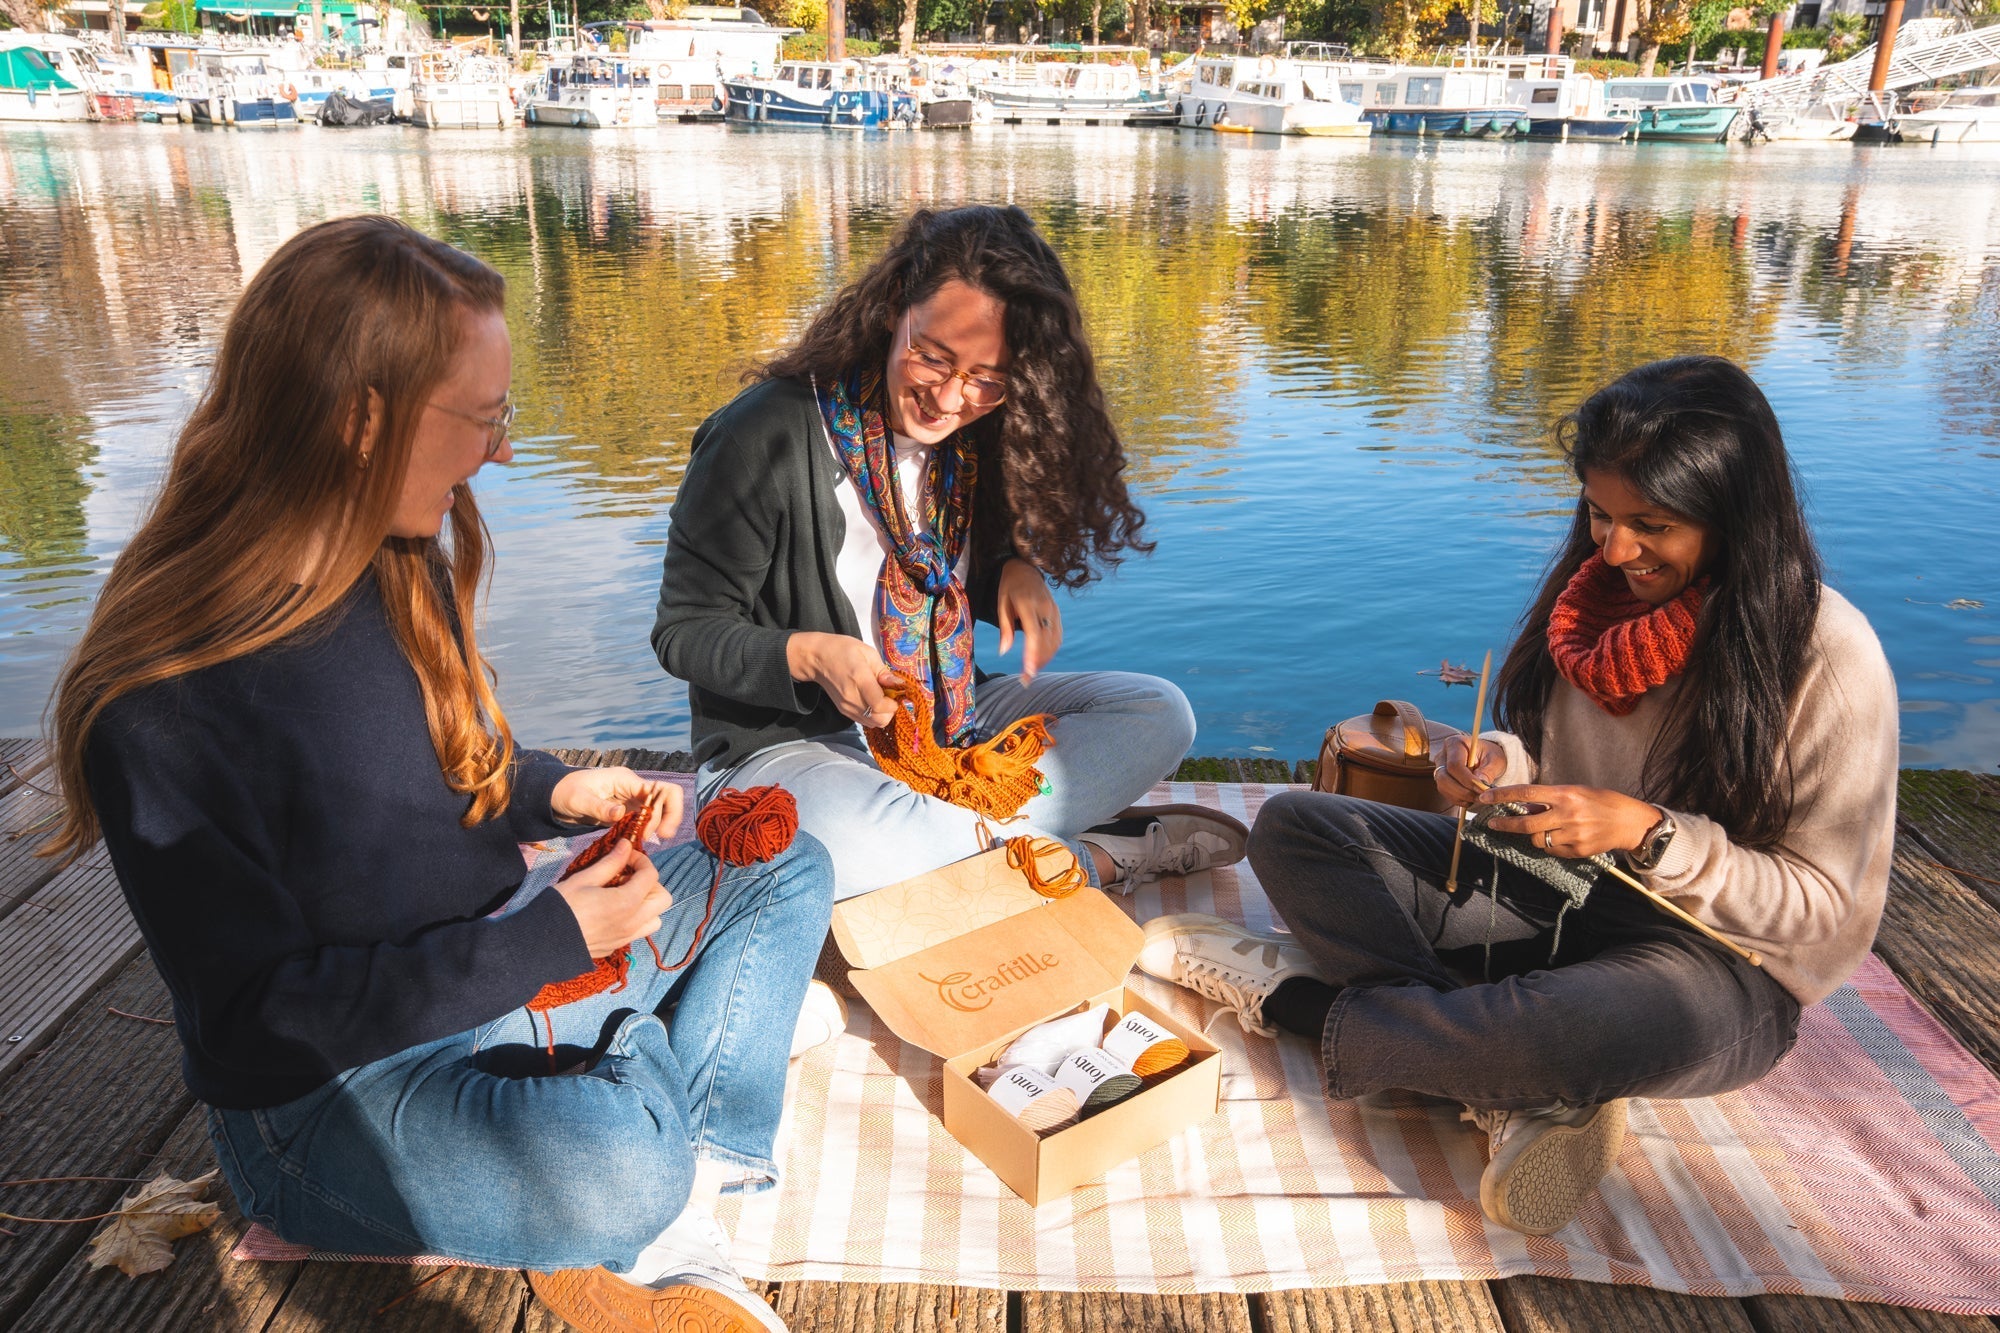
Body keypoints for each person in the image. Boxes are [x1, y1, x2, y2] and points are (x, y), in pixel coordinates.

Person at [50, 217, 829, 1333]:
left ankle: (675, 1161)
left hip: (495, 949)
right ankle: (662, 1132)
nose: (501, 452)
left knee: (785, 862)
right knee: (613, 1168)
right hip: (334, 1094)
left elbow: (434, 778)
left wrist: (556, 792)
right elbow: (260, 1024)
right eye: (483, 417)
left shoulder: (392, 560)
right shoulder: (165, 700)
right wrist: (559, 940)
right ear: (361, 419)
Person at [1139, 356, 1900, 1237]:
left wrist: (1652, 835)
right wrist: (1494, 765)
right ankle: (1505, 1082)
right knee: (1296, 827)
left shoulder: (1829, 657)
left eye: (1652, 525)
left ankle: (1296, 1001)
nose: (1614, 550)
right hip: (1562, 891)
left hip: (1721, 965)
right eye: (1600, 513)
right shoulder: (1591, 611)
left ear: (1736, 515)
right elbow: (1551, 759)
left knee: (1564, 1031)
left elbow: (1823, 911)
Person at [653, 204, 1245, 903]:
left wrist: (1010, 570)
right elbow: (684, 631)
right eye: (932, 356)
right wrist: (810, 656)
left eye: (986, 378)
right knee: (872, 840)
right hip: (793, 750)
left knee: (1161, 713)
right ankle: (1090, 859)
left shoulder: (973, 433)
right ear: (891, 309)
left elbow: (959, 561)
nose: (949, 397)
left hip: (949, 727)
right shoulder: (762, 437)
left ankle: (964, 850)